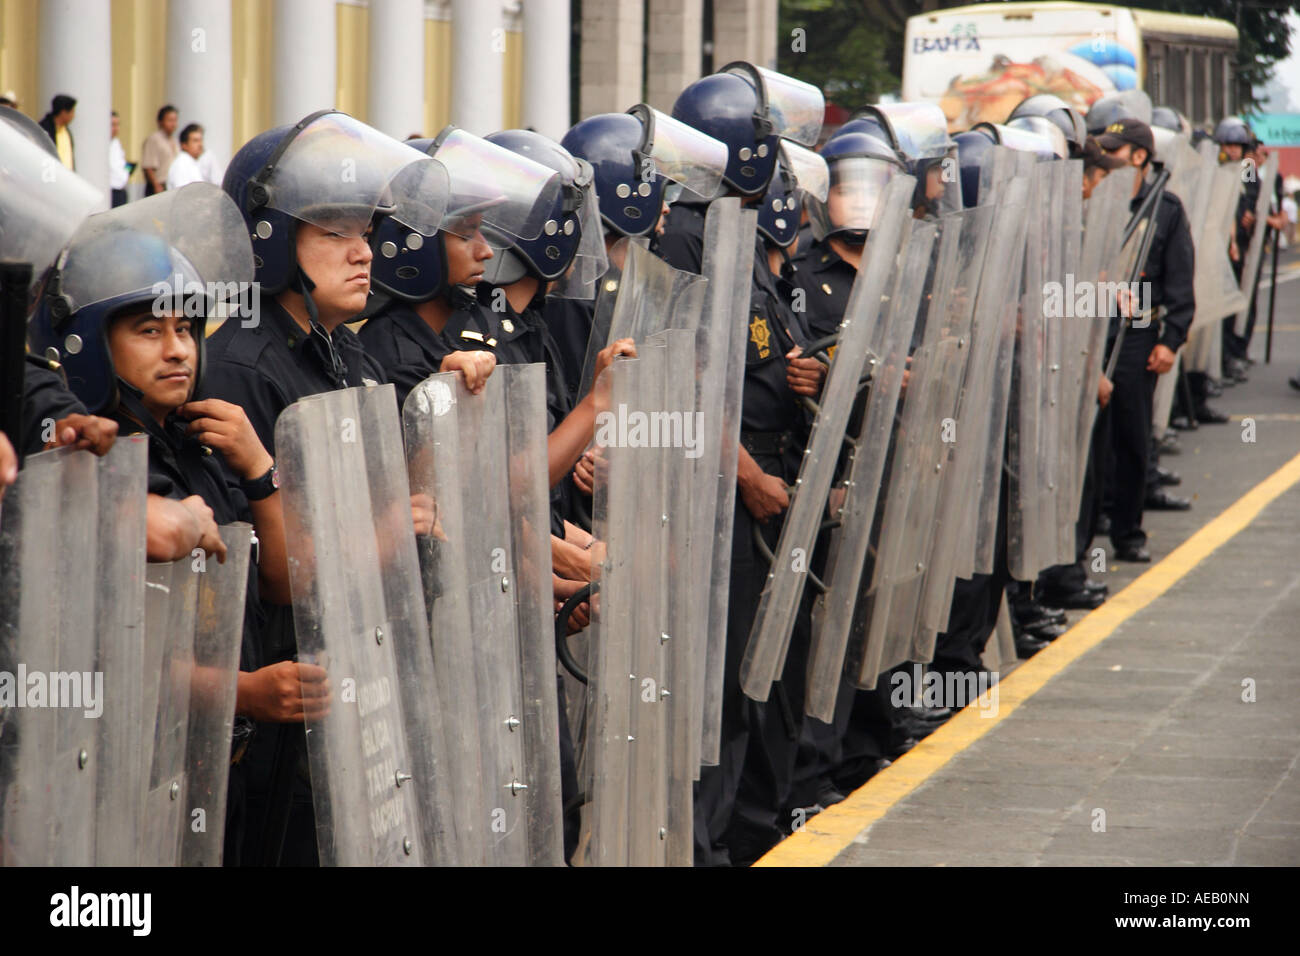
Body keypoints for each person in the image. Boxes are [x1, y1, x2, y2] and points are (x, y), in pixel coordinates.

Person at [24, 183, 333, 865]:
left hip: (222, 772)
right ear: (88, 344)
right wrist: (244, 691)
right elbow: (110, 651)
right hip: (131, 779)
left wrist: (258, 471)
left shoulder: (200, 442)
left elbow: (281, 584)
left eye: (186, 330)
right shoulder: (82, 463)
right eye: (148, 330)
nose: (177, 350)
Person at [200, 110, 446, 865]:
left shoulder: (349, 356)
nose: (364, 251)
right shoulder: (243, 368)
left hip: (355, 680)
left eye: (364, 231)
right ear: (270, 243)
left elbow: (402, 508)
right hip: (283, 703)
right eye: (333, 232)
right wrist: (386, 532)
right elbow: (274, 576)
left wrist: (446, 398)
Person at [661, 62, 827, 866]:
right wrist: (749, 478)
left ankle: (752, 830)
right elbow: (685, 386)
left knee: (765, 679)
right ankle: (708, 846)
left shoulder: (744, 234)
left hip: (762, 477)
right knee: (719, 684)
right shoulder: (691, 237)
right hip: (720, 485)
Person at [1098, 117, 1196, 562]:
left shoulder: (1167, 210)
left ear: (1139, 156)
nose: (1106, 161)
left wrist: (1171, 340)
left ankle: (1127, 531)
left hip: (1139, 331)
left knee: (1132, 435)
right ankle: (1091, 519)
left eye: (1115, 152)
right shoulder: (1094, 200)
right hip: (1092, 327)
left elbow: (1179, 281)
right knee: (1091, 437)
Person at [141, 104, 179, 196]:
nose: (173, 124)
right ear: (161, 122)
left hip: (171, 185)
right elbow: (148, 166)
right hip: (159, 185)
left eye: (175, 120)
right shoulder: (154, 139)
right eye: (170, 120)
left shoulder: (174, 141)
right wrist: (156, 185)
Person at [38, 93, 76, 170]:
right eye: (72, 112)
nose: (73, 115)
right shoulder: (45, 130)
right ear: (63, 112)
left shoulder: (66, 131)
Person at [166, 123, 206, 190]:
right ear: (184, 145)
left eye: (201, 140)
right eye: (195, 141)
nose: (200, 144)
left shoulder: (191, 162)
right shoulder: (181, 164)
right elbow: (182, 194)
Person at [109, 110, 131, 207]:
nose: (116, 128)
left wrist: (127, 172)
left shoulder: (117, 143)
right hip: (110, 190)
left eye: (117, 125)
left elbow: (122, 163)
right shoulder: (103, 143)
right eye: (113, 125)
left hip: (121, 188)